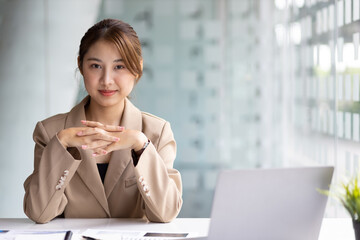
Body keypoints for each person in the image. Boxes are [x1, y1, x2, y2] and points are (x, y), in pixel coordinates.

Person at [23, 19, 183, 224]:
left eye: (119, 66)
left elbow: (166, 213)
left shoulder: (156, 132)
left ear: (138, 68)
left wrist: (140, 145)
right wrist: (62, 143)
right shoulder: (50, 132)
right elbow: (38, 212)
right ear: (81, 66)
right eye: (96, 66)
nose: (107, 79)